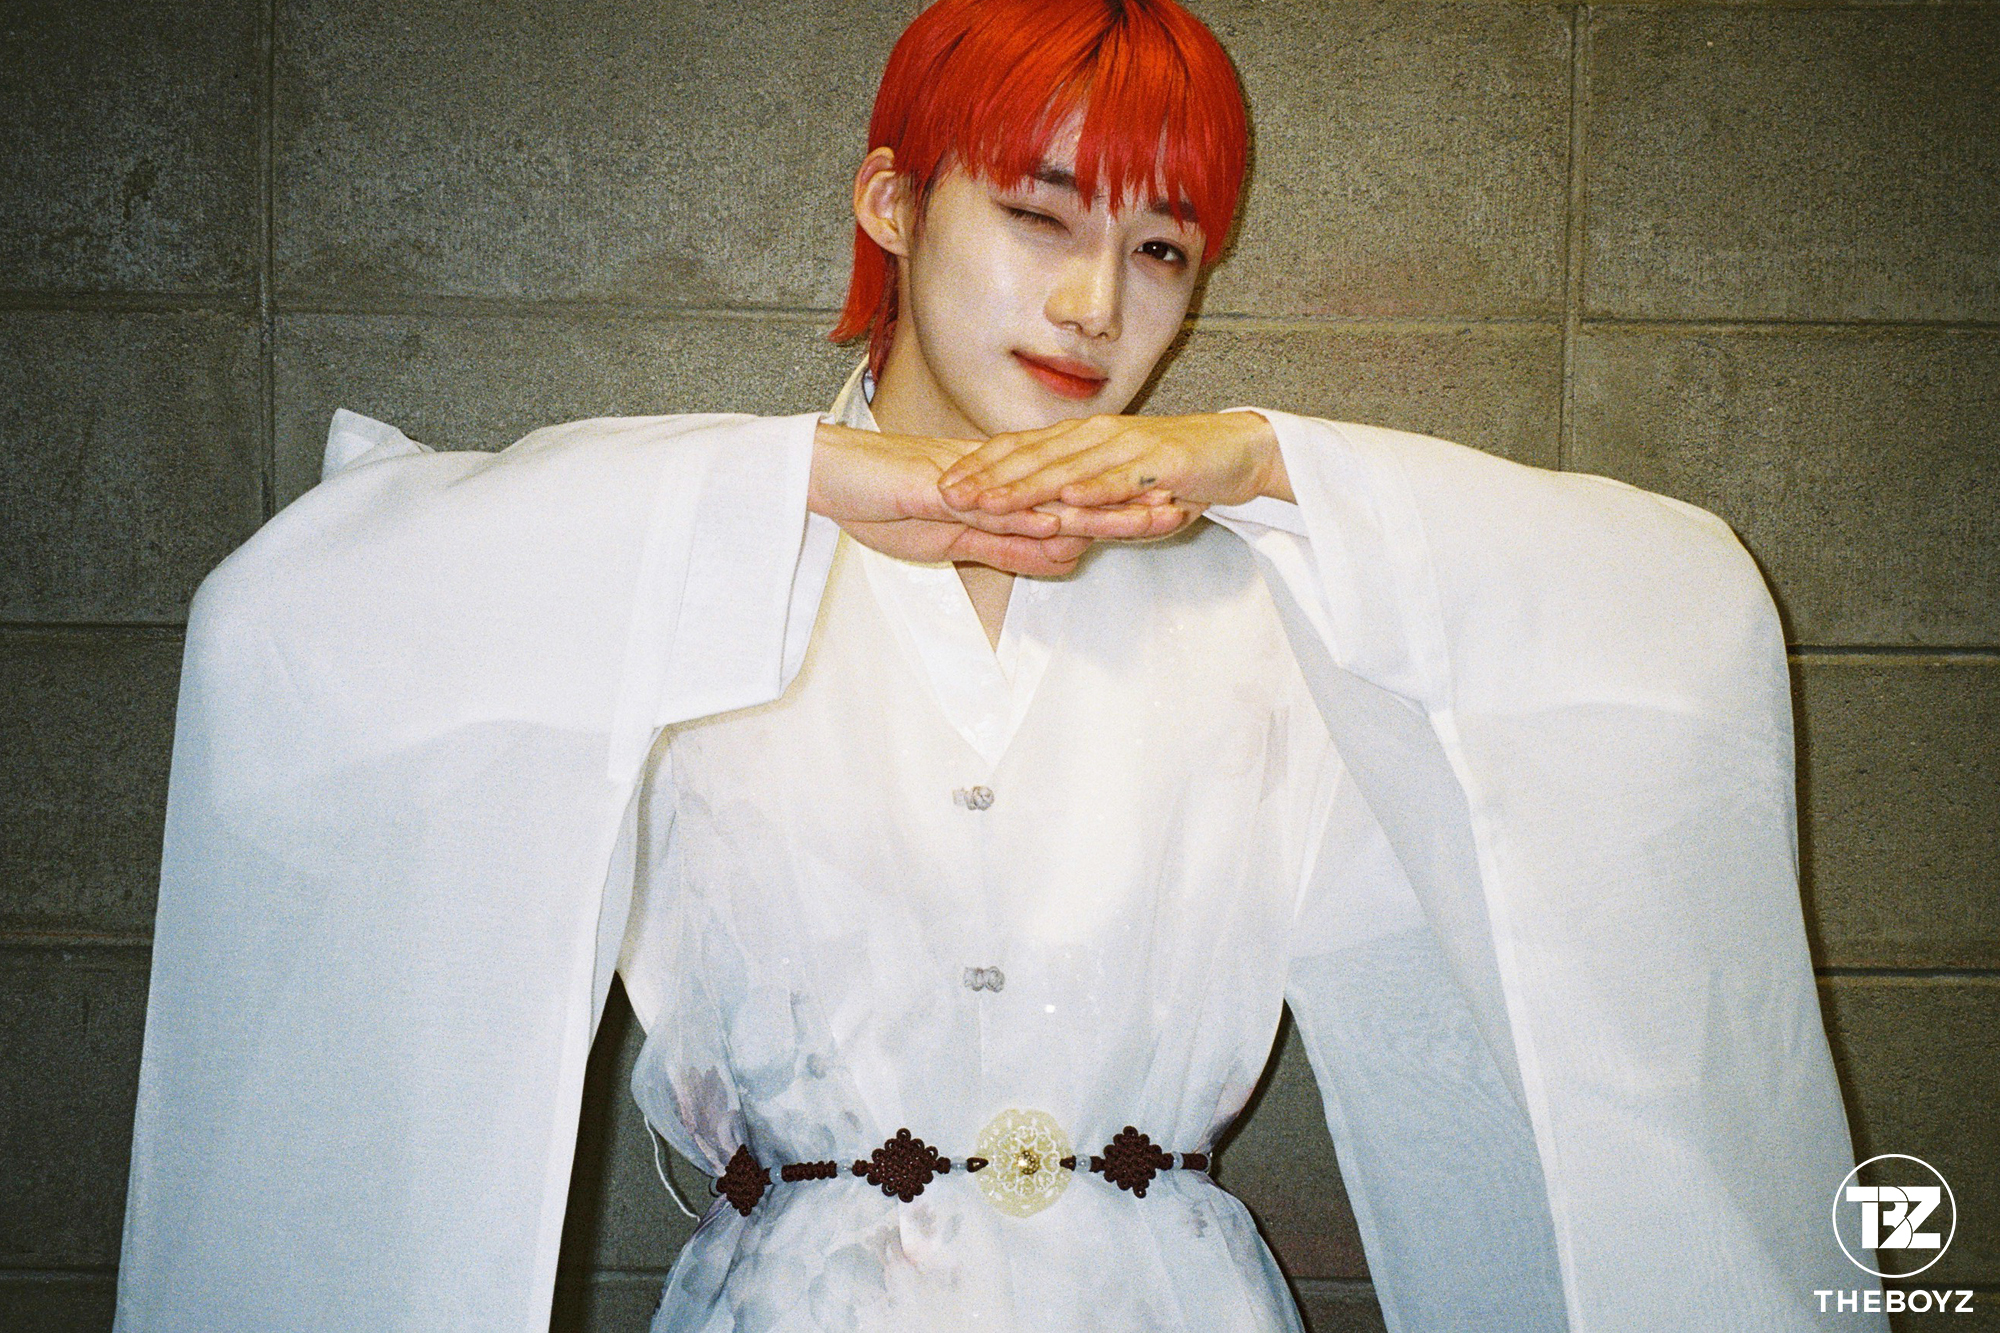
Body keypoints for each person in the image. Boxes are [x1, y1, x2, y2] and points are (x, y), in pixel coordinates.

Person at [112, 1, 1884, 1329]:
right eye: (1042, 215)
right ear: (893, 200)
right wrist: (788, 486)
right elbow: (303, 624)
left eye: (1161, 249)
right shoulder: (679, 562)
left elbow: (1673, 620)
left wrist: (1267, 461)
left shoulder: (1262, 595)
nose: (1099, 307)